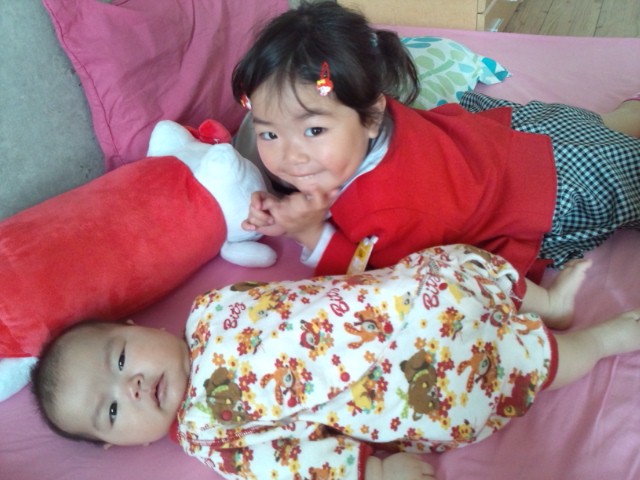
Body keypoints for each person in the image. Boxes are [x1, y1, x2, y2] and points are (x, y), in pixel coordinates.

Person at [31, 244, 640, 480]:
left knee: (460, 260)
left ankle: (548, 303)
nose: (133, 386)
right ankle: (598, 342)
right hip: (408, 381)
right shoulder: (209, 436)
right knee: (516, 365)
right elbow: (293, 463)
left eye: (120, 359)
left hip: (404, 295)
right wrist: (378, 473)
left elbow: (300, 297)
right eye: (112, 410)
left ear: (136, 326)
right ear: (120, 445)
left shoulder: (207, 308)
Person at [233, 1, 640, 330]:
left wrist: (307, 232)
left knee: (463, 274)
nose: (290, 157)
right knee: (592, 129)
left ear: (371, 117)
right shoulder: (370, 119)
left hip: (559, 193)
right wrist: (298, 203)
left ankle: (549, 304)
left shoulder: (389, 207)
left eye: (314, 131)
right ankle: (622, 120)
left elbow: (385, 279)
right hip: (521, 139)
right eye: (269, 134)